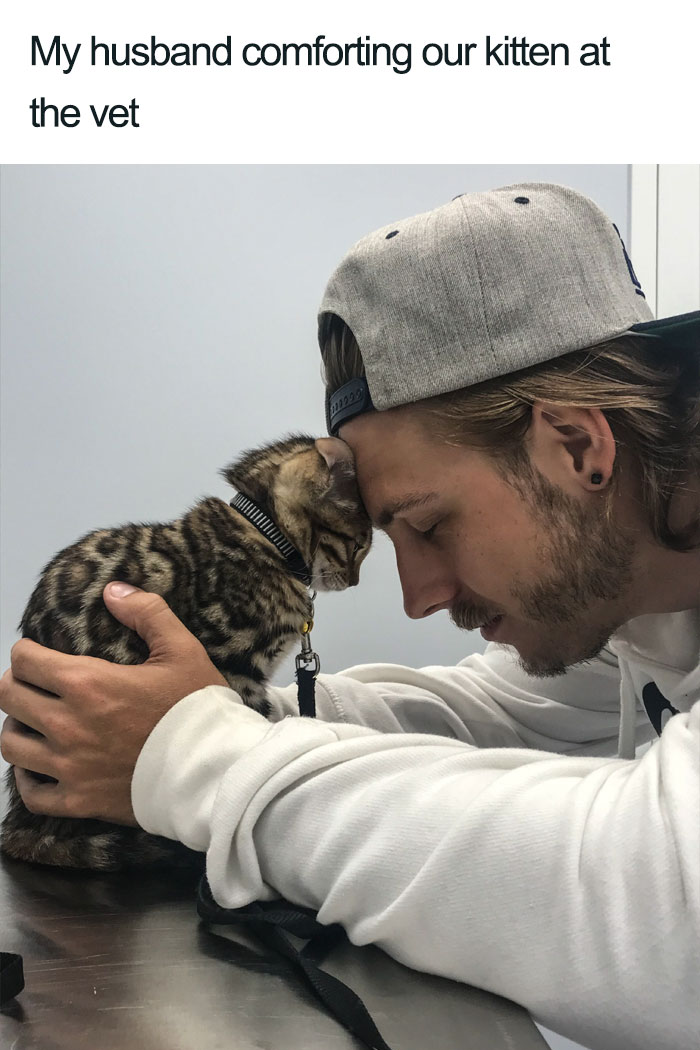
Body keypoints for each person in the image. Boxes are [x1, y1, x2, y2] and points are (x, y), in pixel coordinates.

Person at [1, 184, 698, 1050]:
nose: (417, 596)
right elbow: (495, 715)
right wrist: (202, 706)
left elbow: (664, 913)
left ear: (578, 446)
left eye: (428, 524)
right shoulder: (647, 605)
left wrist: (194, 756)